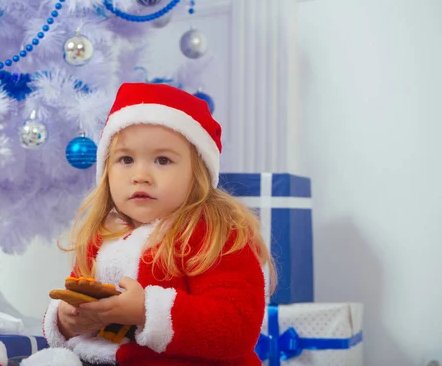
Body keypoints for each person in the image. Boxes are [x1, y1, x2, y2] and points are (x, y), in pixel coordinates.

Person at [42, 82, 275, 366]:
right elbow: (79, 298)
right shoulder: (104, 235)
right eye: (126, 159)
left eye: (162, 160)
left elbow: (237, 327)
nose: (141, 175)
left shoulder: (213, 233)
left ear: (198, 174)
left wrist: (146, 311)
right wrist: (66, 319)